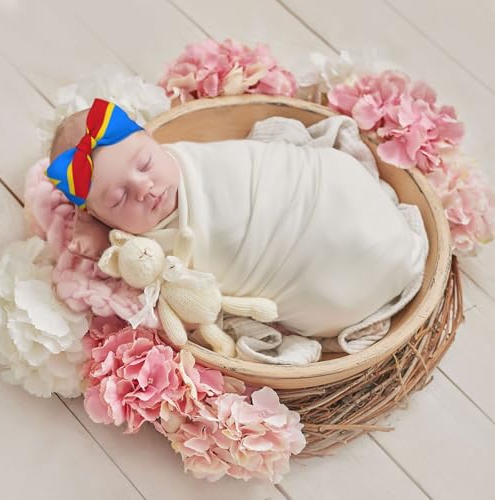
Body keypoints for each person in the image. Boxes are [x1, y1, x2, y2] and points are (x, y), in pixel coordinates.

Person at [46, 97, 427, 360]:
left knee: (337, 178)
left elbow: (252, 161)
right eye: (119, 199)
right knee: (328, 290)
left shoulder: (193, 158)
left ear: (153, 141)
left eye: (145, 163)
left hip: (321, 189)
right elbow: (179, 294)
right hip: (310, 275)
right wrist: (100, 240)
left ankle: (372, 235)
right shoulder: (143, 249)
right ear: (103, 218)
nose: (145, 188)